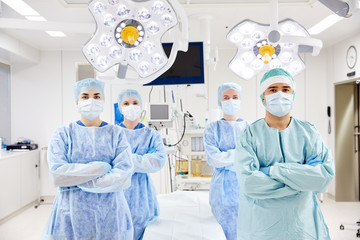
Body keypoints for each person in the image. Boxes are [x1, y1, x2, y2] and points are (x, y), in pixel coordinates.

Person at [234, 68, 335, 240]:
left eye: (285, 89)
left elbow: (323, 178)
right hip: (262, 228)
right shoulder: (249, 136)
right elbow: (249, 183)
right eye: (273, 89)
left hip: (302, 228)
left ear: (293, 95)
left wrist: (272, 171)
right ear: (263, 98)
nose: (280, 94)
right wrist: (301, 182)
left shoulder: (309, 133)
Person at [42, 78, 134, 239]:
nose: (91, 100)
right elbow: (58, 175)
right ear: (77, 102)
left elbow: (124, 176)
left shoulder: (117, 133)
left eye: (96, 96)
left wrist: (77, 179)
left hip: (111, 213)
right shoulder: (63, 133)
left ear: (103, 100)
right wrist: (102, 168)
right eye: (85, 96)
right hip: (71, 213)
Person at [203, 82, 251, 240]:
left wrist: (227, 156)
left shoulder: (249, 128)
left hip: (247, 186)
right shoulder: (212, 129)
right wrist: (240, 154)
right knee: (222, 231)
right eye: (226, 97)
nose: (231, 100)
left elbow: (254, 157)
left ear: (240, 100)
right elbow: (213, 158)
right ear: (220, 101)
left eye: (235, 97)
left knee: (247, 229)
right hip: (222, 190)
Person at [117, 89, 166, 240]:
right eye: (126, 103)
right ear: (120, 107)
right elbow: (108, 161)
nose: (130, 106)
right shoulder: (112, 133)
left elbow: (157, 161)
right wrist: (142, 160)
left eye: (135, 102)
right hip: (117, 194)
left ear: (141, 106)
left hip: (143, 197)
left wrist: (124, 159)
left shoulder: (151, 135)